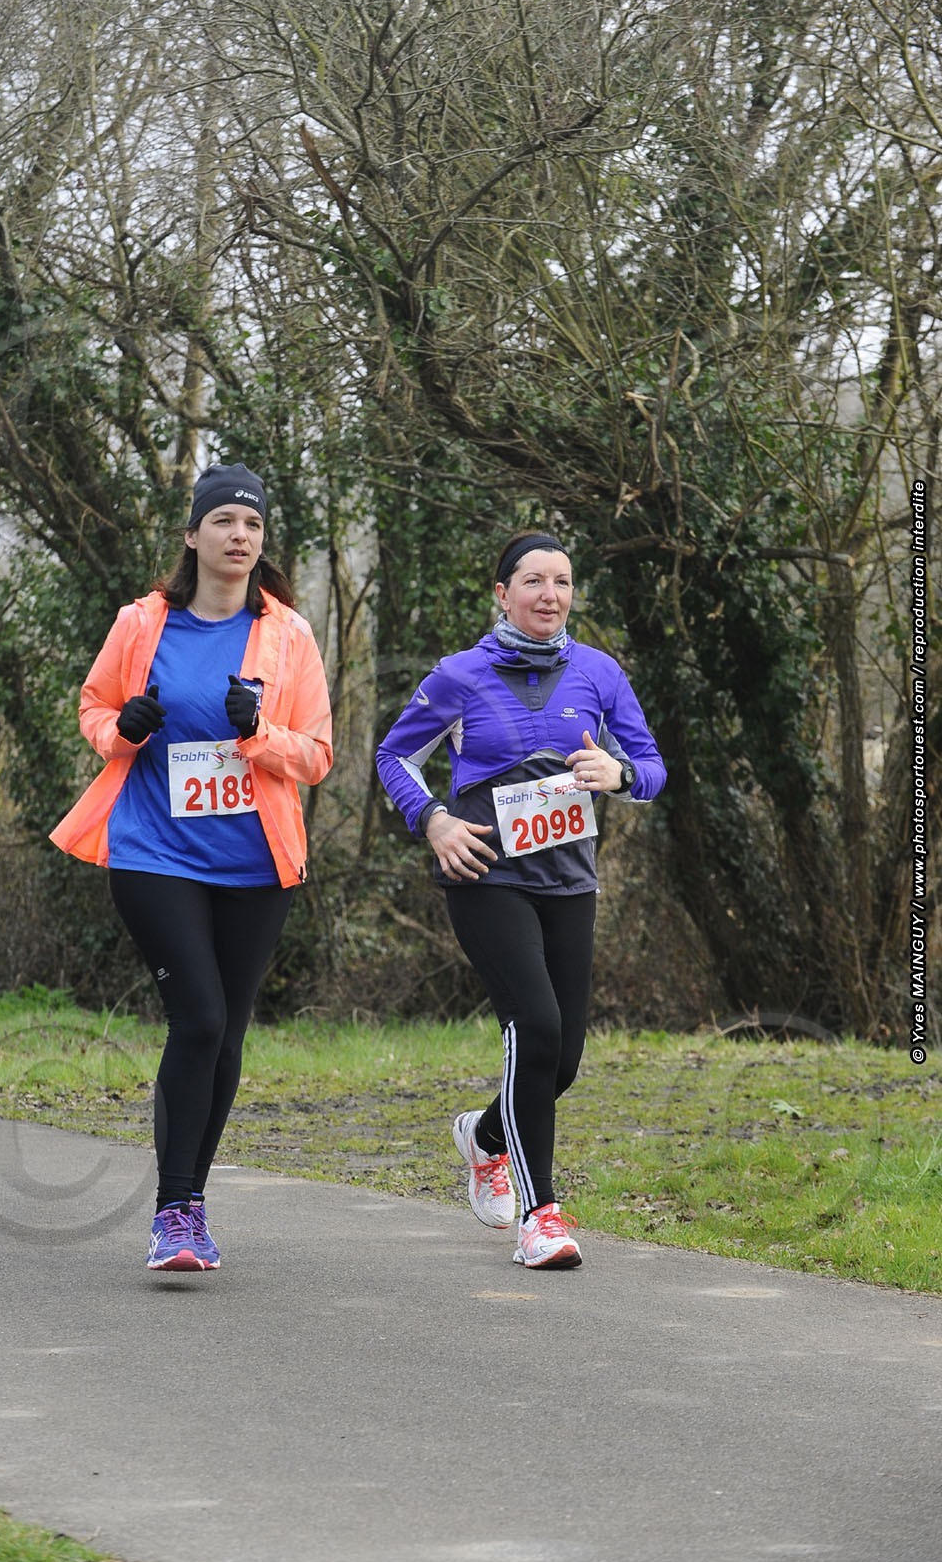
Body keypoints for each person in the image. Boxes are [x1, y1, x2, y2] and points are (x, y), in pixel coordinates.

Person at [51, 463, 332, 1272]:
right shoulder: (142, 623)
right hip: (155, 851)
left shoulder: (289, 635)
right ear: (192, 535)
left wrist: (260, 733)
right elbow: (94, 708)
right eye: (223, 522)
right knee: (199, 1019)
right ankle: (172, 1213)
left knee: (227, 1032)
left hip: (254, 862)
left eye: (252, 524)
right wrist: (123, 730)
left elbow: (316, 755)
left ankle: (191, 1207)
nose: (239, 535)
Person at [376, 530, 666, 1269]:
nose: (549, 595)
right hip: (486, 874)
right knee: (533, 1028)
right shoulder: (458, 675)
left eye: (561, 582)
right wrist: (432, 819)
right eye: (533, 581)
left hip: (569, 880)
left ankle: (483, 1138)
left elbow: (652, 767)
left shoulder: (599, 673)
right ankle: (541, 1218)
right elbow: (393, 755)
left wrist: (620, 773)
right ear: (502, 594)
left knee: (561, 1060)